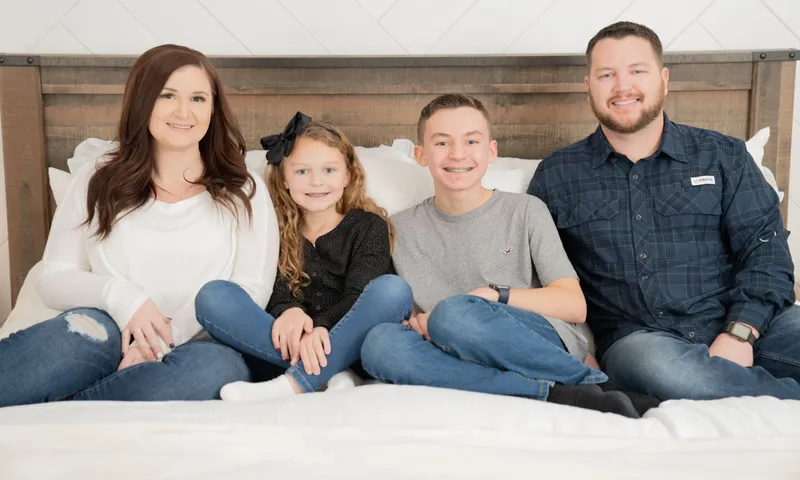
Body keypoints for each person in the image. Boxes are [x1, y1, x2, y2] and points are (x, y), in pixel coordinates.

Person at [529, 21, 800, 401]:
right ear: (589, 85)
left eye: (637, 71)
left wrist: (740, 332)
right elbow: (539, 281)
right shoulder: (556, 176)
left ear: (663, 78)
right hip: (643, 344)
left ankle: (734, 388)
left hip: (751, 324)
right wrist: (575, 349)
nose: (623, 86)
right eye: (607, 74)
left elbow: (766, 253)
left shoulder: (724, 156)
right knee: (651, 366)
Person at [0, 44, 279, 407]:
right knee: (75, 336)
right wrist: (125, 300)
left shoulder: (244, 190)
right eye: (167, 95)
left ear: (213, 108)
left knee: (215, 369)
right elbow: (53, 278)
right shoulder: (97, 178)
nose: (184, 111)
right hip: (105, 331)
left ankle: (71, 406)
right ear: (142, 101)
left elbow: (249, 291)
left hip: (199, 348)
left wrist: (161, 338)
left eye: (198, 98)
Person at [360, 93, 658, 418]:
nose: (458, 154)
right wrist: (415, 322)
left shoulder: (526, 211)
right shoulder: (397, 229)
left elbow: (574, 306)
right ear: (421, 155)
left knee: (454, 314)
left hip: (530, 338)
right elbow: (396, 309)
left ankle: (586, 380)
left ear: (491, 151)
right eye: (442, 143)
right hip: (449, 347)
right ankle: (554, 392)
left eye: (471, 141)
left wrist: (492, 296)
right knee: (378, 343)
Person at [195, 113, 411, 401]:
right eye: (302, 172)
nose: (316, 182)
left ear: (348, 176)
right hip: (285, 342)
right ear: (284, 178)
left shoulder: (368, 226)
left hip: (351, 341)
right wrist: (288, 310)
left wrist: (321, 327)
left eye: (329, 170)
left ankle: (296, 382)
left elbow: (359, 293)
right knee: (214, 296)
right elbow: (267, 285)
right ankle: (328, 374)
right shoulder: (271, 225)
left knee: (393, 290)